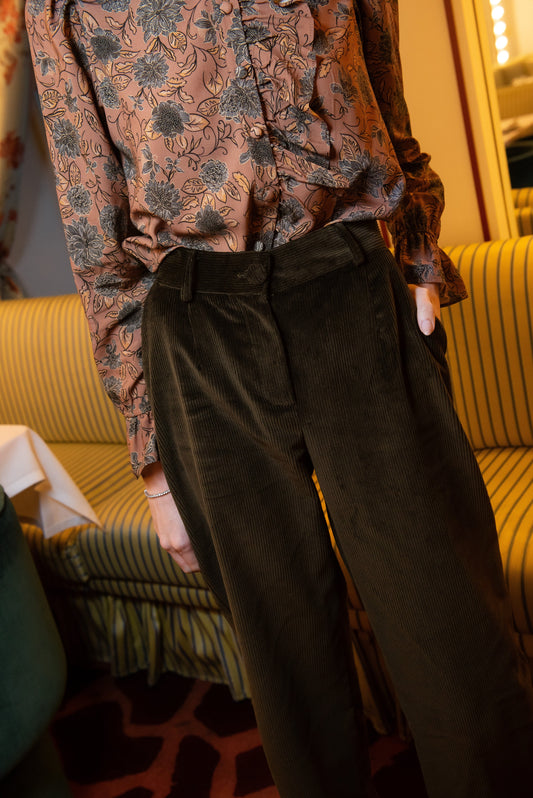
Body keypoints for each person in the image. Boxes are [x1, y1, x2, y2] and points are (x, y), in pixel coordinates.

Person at [26, 1, 533, 796]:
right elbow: (93, 217)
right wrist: (153, 466)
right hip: (199, 325)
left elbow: (383, 85)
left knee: (452, 624)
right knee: (285, 657)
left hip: (351, 287)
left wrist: (418, 251)